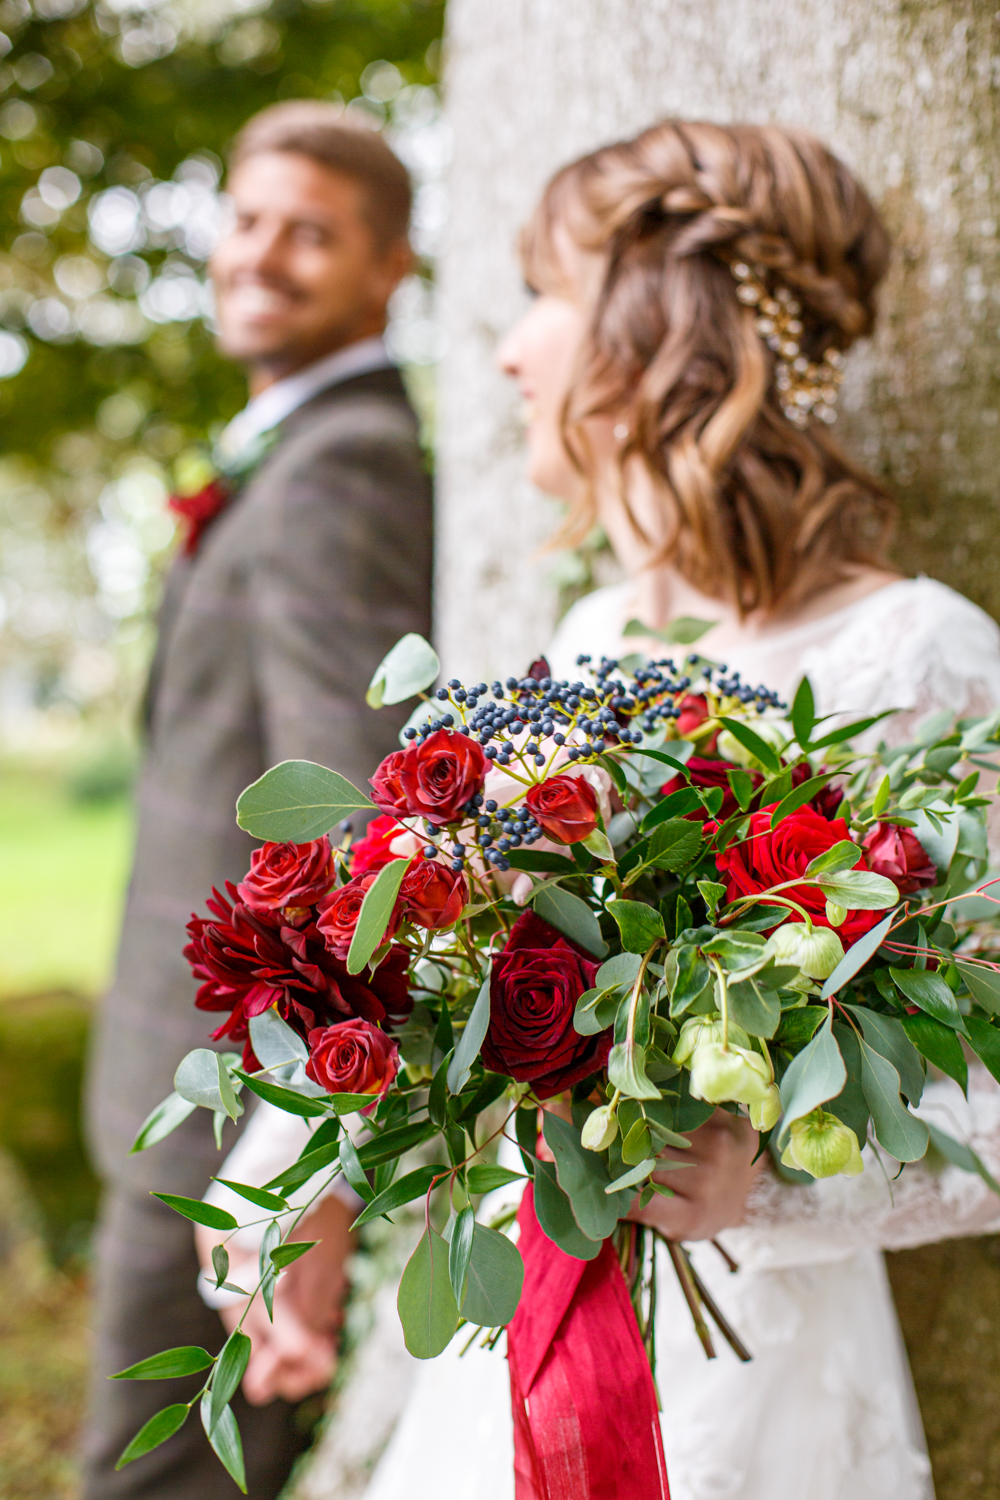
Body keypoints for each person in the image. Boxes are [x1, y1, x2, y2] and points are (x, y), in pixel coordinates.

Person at [205, 121, 1000, 1500]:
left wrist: (778, 1185)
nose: (508, 353)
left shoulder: (919, 659)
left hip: (760, 1378)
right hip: (516, 1341)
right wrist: (285, 1191)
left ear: (652, 333)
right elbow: (424, 959)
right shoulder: (578, 648)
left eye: (544, 299)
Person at [82, 102, 433, 1500]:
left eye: (314, 234)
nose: (264, 255)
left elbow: (357, 839)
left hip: (232, 1112)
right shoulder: (285, 449)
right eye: (249, 219)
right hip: (181, 1083)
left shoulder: (337, 468)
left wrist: (298, 1164)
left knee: (156, 1480)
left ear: (390, 268)